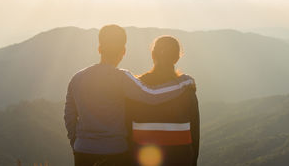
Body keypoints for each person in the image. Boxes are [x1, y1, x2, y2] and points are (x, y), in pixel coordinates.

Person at [64, 25, 195, 166]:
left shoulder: (77, 78)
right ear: (123, 51)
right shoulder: (122, 78)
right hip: (115, 153)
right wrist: (184, 82)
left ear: (99, 49)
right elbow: (153, 95)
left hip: (82, 152)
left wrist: (77, 143)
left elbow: (69, 117)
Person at [126, 36, 200, 166]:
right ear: (177, 58)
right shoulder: (187, 88)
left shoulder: (136, 87)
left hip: (142, 158)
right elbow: (194, 131)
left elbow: (126, 128)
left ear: (153, 55)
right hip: (180, 158)